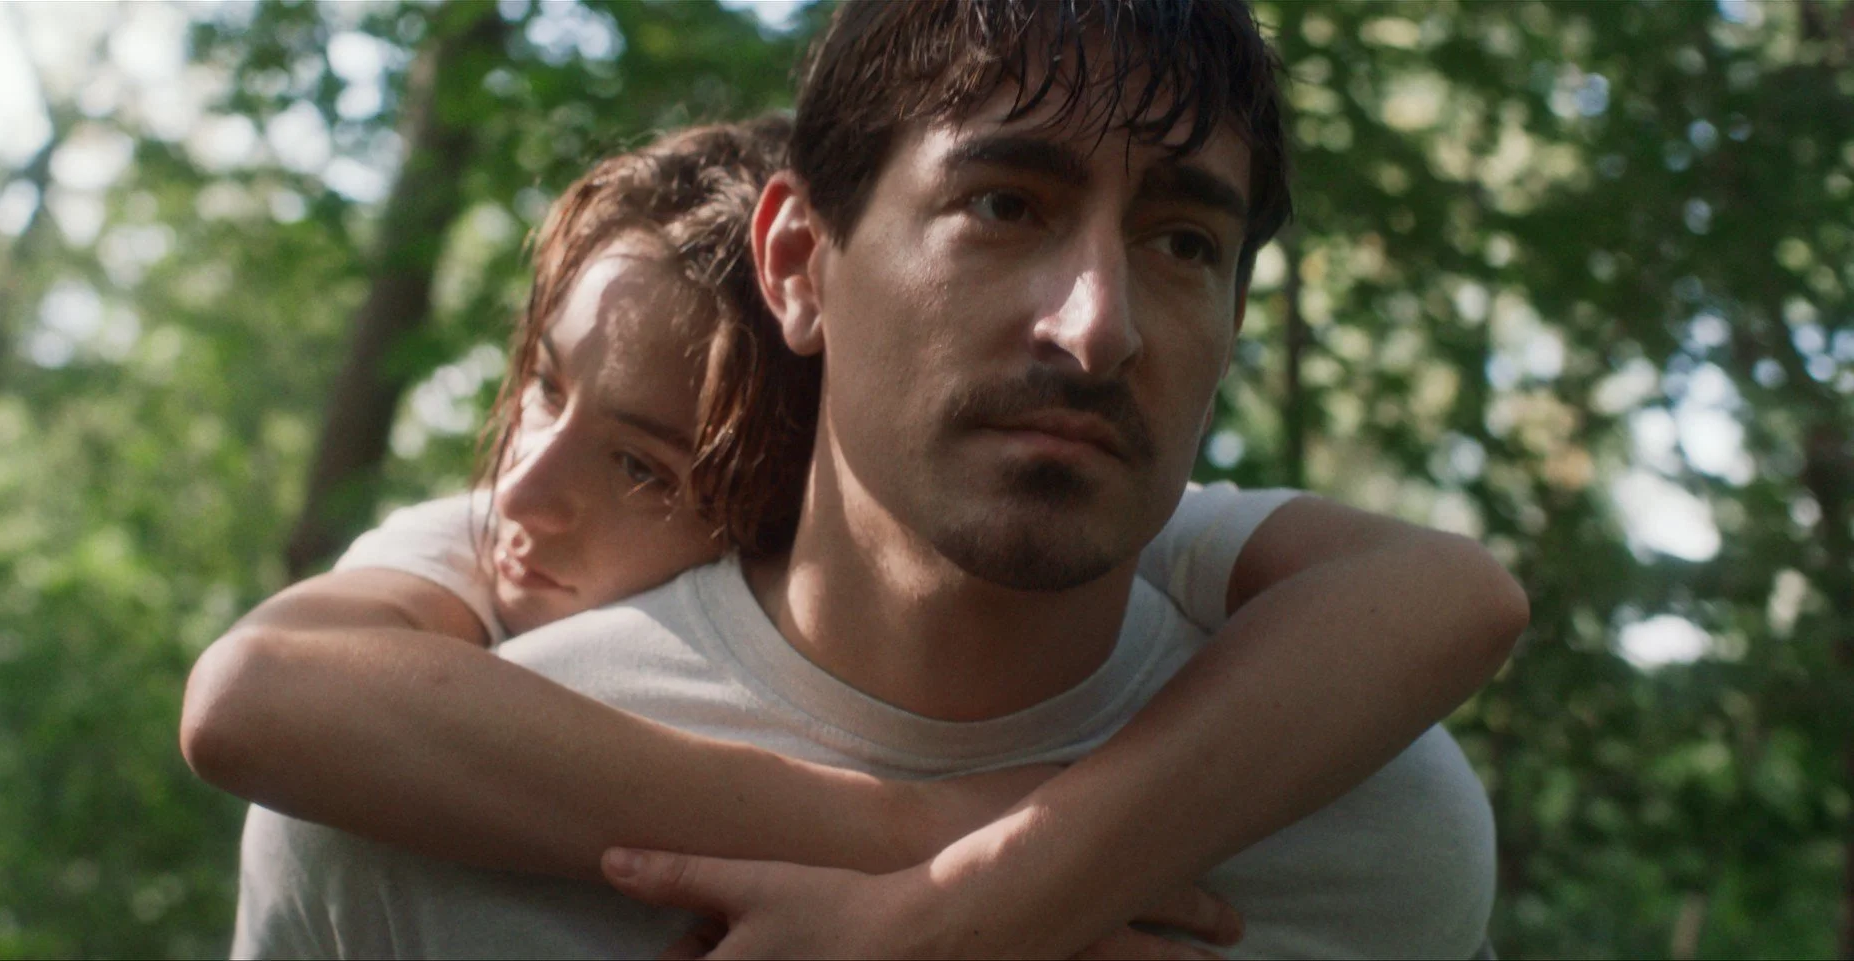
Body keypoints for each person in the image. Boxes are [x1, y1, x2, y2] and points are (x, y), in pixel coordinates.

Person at [193, 2, 1528, 957]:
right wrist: (949, 854)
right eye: (1003, 204)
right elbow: (261, 690)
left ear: (1234, 319)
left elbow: (1451, 591)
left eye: (1183, 241)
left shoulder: (1360, 829)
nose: (1097, 327)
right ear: (797, 263)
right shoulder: (403, 815)